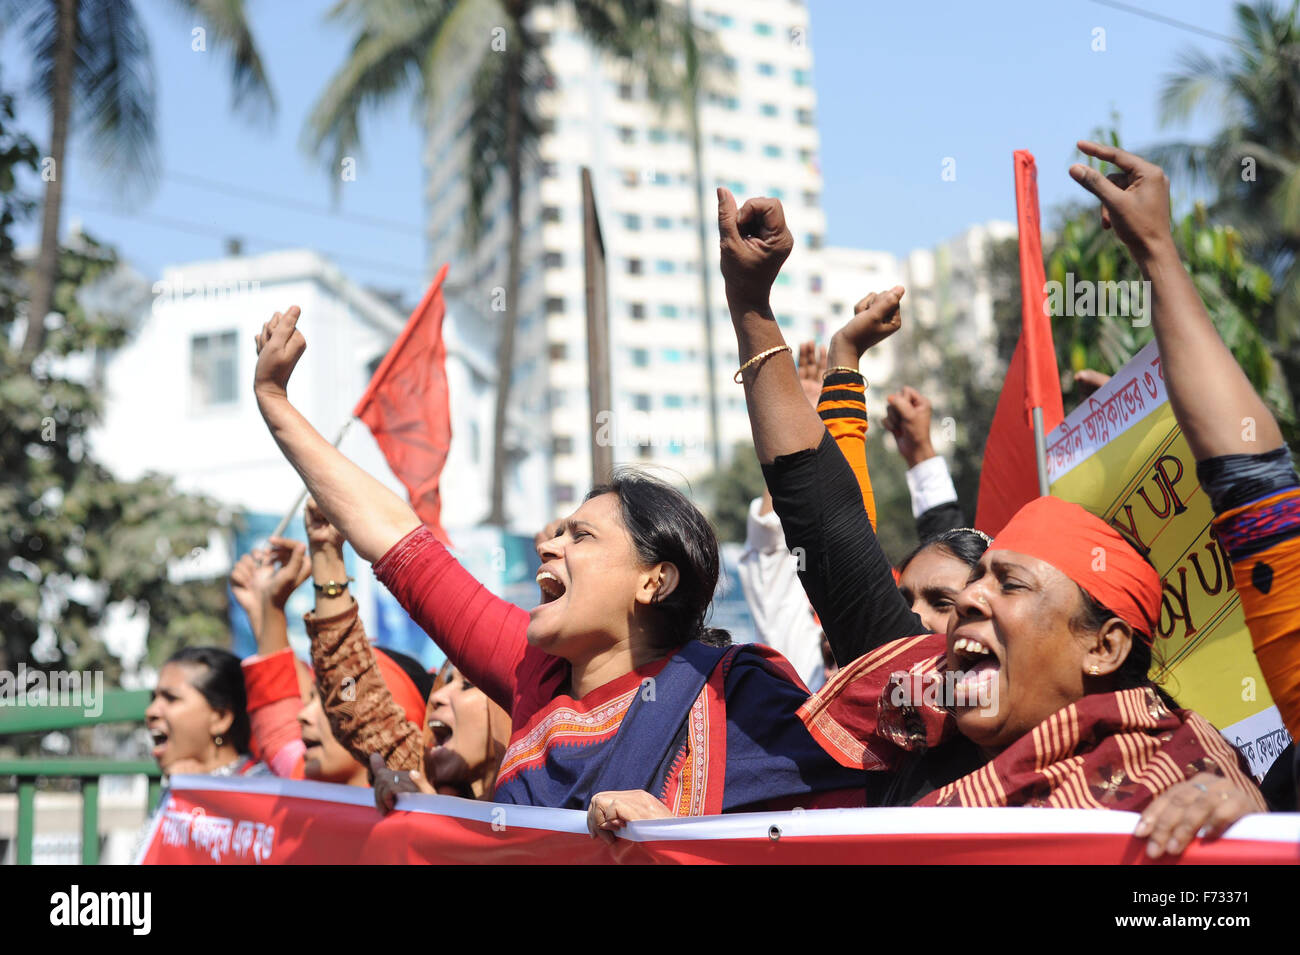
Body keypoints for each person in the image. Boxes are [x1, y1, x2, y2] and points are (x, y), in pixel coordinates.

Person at [714, 180, 1265, 830]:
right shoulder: (919, 703)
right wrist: (750, 304)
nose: (972, 598)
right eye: (979, 576)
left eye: (1010, 583)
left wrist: (1244, 829)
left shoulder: (1187, 781)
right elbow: (824, 517)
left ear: (1105, 646)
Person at [248, 325, 869, 833]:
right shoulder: (534, 676)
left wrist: (677, 843)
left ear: (654, 582)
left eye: (581, 536)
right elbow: (398, 541)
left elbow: (843, 832)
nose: (547, 544)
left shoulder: (738, 699)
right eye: (558, 533)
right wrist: (277, 407)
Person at [145, 646, 268, 778]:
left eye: (171, 698)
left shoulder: (263, 786)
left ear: (221, 718)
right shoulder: (177, 779)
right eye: (154, 698)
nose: (150, 711)